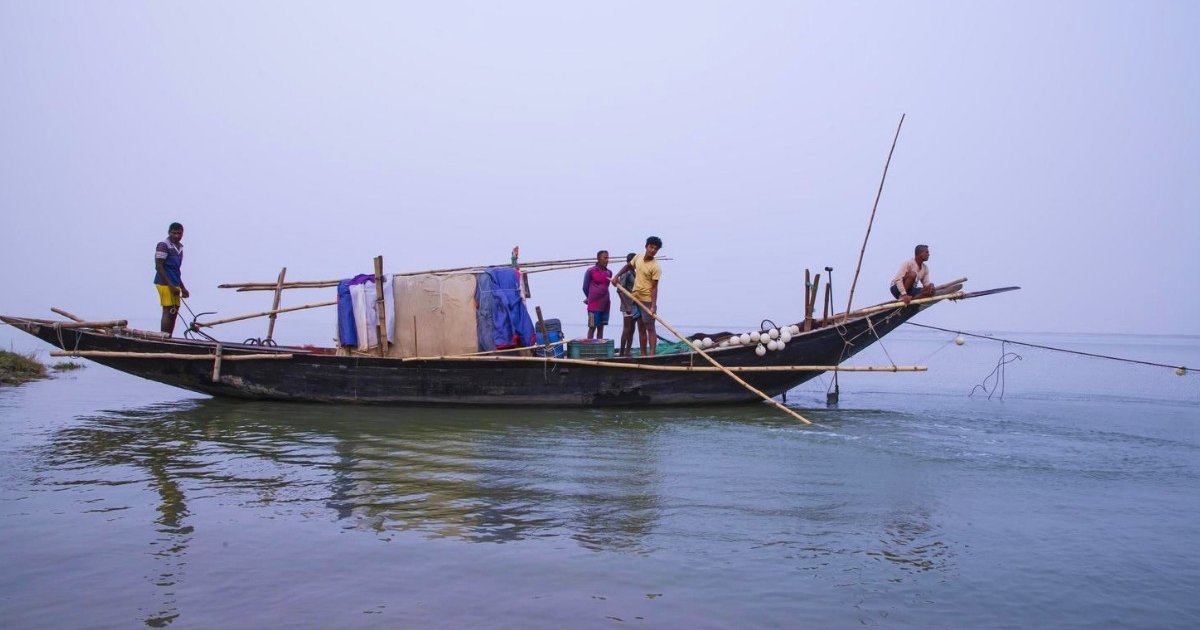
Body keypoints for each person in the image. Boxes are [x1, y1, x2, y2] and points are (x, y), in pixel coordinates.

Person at [611, 236, 663, 356]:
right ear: (646, 246)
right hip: (635, 298)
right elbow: (629, 266)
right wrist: (616, 276)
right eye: (651, 247)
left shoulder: (656, 267)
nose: (653, 250)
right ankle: (643, 355)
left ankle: (652, 355)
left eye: (656, 249)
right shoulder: (638, 257)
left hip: (647, 300)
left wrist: (653, 306)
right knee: (641, 329)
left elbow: (654, 287)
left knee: (650, 327)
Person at [154, 222, 189, 336]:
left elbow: (176, 270)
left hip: (174, 282)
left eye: (179, 233)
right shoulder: (163, 245)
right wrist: (170, 285)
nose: (177, 236)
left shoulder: (179, 248)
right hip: (164, 282)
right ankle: (164, 337)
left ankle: (169, 336)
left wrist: (183, 288)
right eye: (174, 233)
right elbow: (159, 266)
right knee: (168, 310)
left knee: (175, 310)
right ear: (169, 233)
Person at [582, 250, 613, 339]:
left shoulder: (609, 272)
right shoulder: (591, 271)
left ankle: (599, 348)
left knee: (601, 327)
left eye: (608, 258)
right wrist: (590, 298)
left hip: (605, 304)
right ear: (598, 259)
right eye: (605, 258)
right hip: (593, 305)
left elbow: (606, 286)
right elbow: (585, 287)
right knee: (592, 327)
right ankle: (589, 349)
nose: (607, 260)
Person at [615, 253, 637, 356]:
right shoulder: (626, 273)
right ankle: (622, 353)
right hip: (627, 305)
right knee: (627, 329)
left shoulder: (634, 273)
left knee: (632, 329)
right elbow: (620, 290)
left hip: (634, 305)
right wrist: (627, 306)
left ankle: (628, 351)